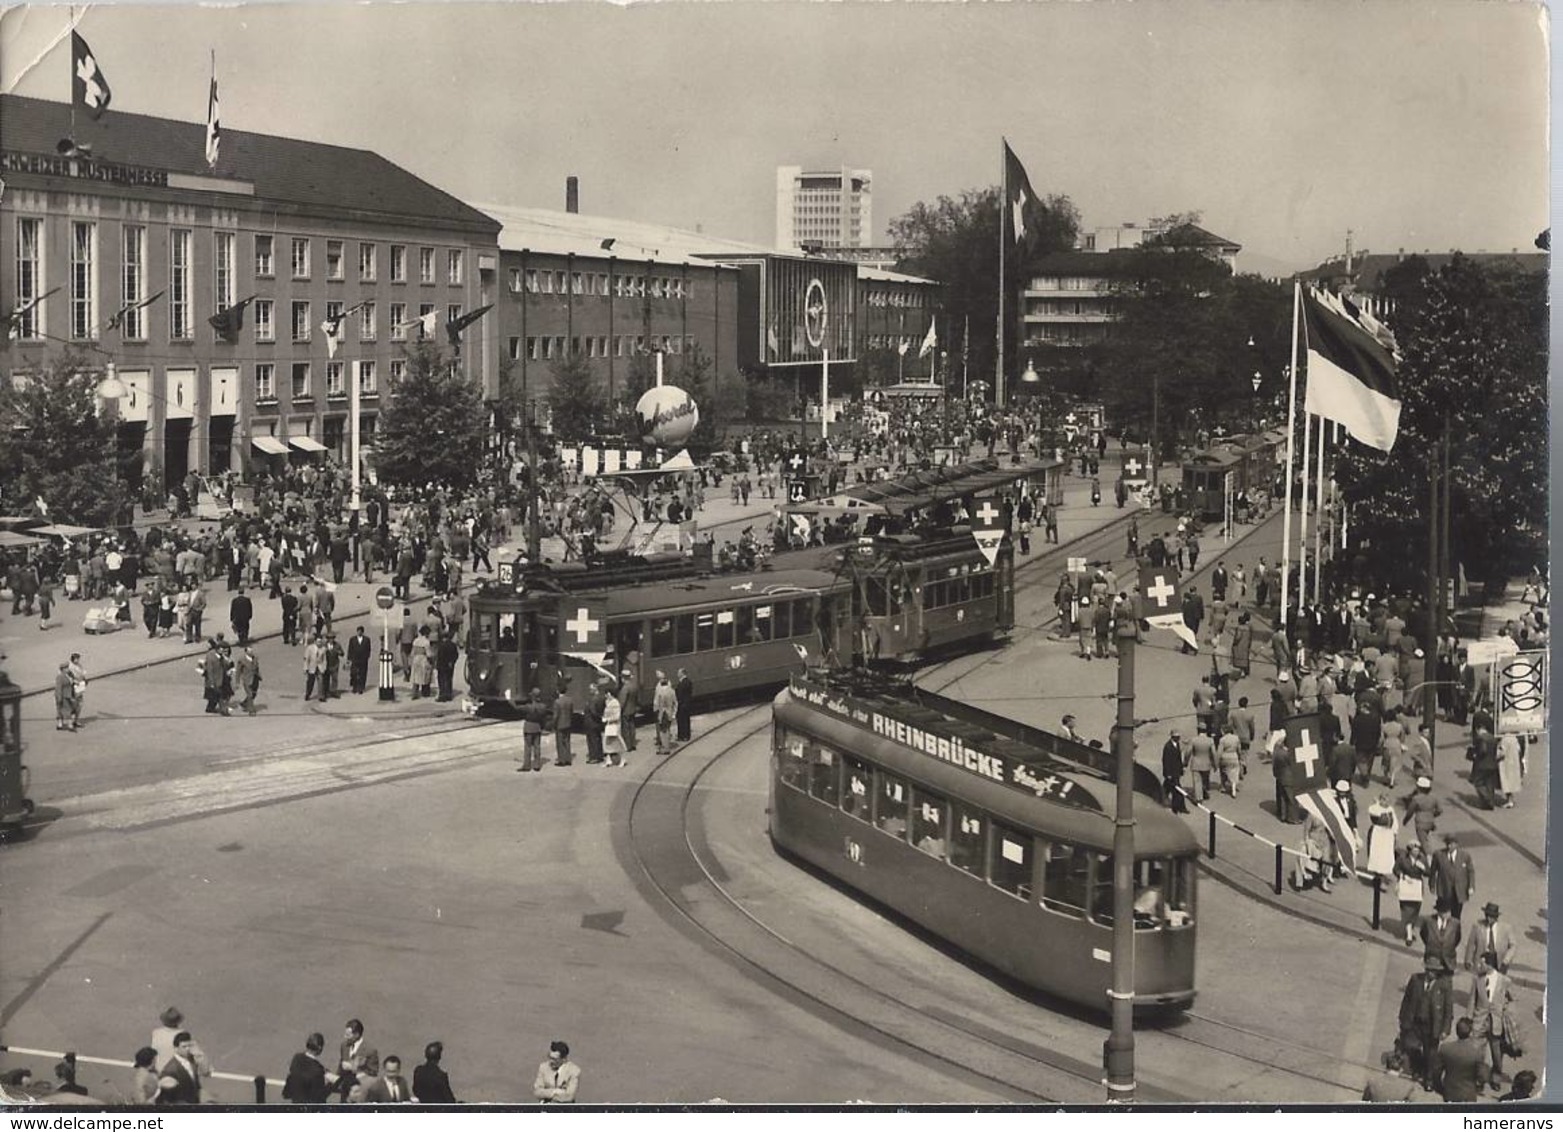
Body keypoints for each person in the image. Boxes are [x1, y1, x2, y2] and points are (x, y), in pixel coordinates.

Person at [1398, 963, 1453, 1088]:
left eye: (1433, 971)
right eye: (1428, 969)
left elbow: (1448, 1009)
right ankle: (1416, 1069)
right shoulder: (1416, 980)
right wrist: (1402, 1018)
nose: (1430, 973)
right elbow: (1407, 1000)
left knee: (1430, 1054)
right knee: (1411, 1046)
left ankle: (1428, 1079)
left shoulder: (1444, 986)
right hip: (1415, 1022)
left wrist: (1445, 1029)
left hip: (1432, 1026)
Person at [1470, 953, 1517, 1091]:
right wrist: (1468, 1017)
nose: (1480, 965)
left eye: (1482, 963)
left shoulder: (1504, 980)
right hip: (1480, 1020)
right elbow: (1472, 1000)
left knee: (1497, 1054)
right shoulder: (1478, 980)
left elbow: (1513, 1000)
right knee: (1479, 1053)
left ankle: (1496, 1078)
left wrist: (1506, 1011)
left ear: (1490, 964)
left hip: (1496, 1023)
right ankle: (1480, 1079)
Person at [1431, 1017, 1488, 1102]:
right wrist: (1476, 1089)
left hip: (1449, 1093)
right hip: (1468, 1095)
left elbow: (1436, 1073)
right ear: (1470, 1033)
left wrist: (1441, 1089)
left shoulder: (1445, 1049)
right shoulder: (1477, 1053)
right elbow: (1483, 1077)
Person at [1431, 834, 1476, 921]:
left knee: (1457, 915)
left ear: (1456, 844)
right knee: (1444, 913)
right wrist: (1432, 885)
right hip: (1444, 889)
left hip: (1459, 891)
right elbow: (1433, 871)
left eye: (1451, 844)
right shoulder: (1439, 855)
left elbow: (1470, 871)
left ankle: (1456, 933)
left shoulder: (1465, 856)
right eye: (1447, 844)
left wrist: (1471, 886)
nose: (1449, 846)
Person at [1465, 902, 1517, 974]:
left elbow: (1513, 946)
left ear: (1496, 917)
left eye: (1492, 916)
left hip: (1498, 961)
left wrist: (1506, 960)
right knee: (1481, 983)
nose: (1489, 918)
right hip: (1482, 961)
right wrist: (1468, 960)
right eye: (1487, 915)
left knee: (1497, 984)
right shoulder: (1477, 926)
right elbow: (1471, 944)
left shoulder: (1506, 929)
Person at [282, 1033, 335, 1104]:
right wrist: (330, 1085)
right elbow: (319, 1096)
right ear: (320, 1048)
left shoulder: (297, 1058)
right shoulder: (317, 1071)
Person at [1395, 842, 1430, 947]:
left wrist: (1423, 868)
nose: (1417, 852)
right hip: (1406, 885)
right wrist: (1402, 875)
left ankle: (1410, 928)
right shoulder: (1402, 858)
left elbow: (1428, 873)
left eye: (1418, 850)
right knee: (1406, 909)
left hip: (1417, 887)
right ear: (1409, 850)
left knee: (1415, 910)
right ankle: (1409, 934)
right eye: (1414, 850)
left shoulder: (1422, 859)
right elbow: (1396, 869)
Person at [336, 1019, 377, 1103]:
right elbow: (341, 1066)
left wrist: (353, 1068)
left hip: (359, 1091)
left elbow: (373, 1072)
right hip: (345, 1090)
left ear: (357, 1034)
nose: (345, 1037)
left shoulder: (370, 1050)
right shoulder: (344, 1046)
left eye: (348, 1035)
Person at [156, 1032, 204, 1104]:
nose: (187, 1049)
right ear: (176, 1048)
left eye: (189, 1046)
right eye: (184, 1047)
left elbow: (204, 1072)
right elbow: (167, 1097)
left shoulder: (192, 1059)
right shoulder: (170, 1070)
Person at [1421, 897, 1462, 976]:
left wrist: (1448, 947)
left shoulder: (1455, 923)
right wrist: (1432, 945)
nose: (1448, 914)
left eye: (1449, 911)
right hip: (1432, 959)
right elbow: (1423, 935)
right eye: (1446, 912)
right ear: (1439, 912)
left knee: (1447, 985)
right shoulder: (1429, 921)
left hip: (1449, 961)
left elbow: (1457, 938)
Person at [519, 687, 548, 772]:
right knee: (537, 747)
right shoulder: (543, 706)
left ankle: (527, 765)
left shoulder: (528, 706)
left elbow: (517, 708)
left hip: (528, 727)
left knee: (528, 747)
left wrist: (511, 702)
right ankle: (537, 765)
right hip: (537, 727)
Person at [653, 670, 678, 756]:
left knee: (662, 731)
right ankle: (667, 745)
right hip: (670, 713)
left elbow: (656, 703)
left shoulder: (659, 692)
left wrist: (655, 711)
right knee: (667, 729)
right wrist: (674, 713)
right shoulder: (672, 691)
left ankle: (665, 748)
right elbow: (676, 703)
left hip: (662, 713)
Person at [1160, 731, 1187, 813]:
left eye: (1178, 736)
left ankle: (1178, 806)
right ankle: (1178, 807)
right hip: (1171, 773)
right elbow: (1165, 761)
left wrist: (1181, 769)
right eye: (1176, 737)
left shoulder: (1177, 745)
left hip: (1176, 772)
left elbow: (1179, 759)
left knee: (1167, 789)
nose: (1178, 738)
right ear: (1172, 737)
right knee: (1177, 790)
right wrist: (1168, 774)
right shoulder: (1168, 747)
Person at [552, 681, 575, 766]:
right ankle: (568, 759)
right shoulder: (570, 700)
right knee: (567, 742)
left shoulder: (557, 702)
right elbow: (571, 712)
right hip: (568, 723)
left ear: (558, 691)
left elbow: (555, 716)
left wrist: (553, 724)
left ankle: (562, 760)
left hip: (560, 724)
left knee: (560, 743)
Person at [602, 686, 626, 767]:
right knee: (607, 742)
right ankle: (608, 760)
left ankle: (623, 759)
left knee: (617, 742)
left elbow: (617, 716)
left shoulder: (615, 703)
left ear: (610, 693)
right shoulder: (608, 702)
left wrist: (607, 719)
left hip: (615, 725)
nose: (605, 695)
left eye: (606, 693)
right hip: (609, 725)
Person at [236, 644, 261, 716]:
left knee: (254, 694)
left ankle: (244, 703)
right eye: (249, 651)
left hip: (255, 679)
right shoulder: (241, 660)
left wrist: (258, 675)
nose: (251, 652)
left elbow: (257, 668)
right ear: (246, 652)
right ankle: (251, 710)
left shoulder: (255, 658)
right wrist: (237, 682)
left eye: (252, 651)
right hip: (247, 680)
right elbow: (238, 671)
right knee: (250, 694)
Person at [53, 662, 80, 731]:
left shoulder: (69, 675)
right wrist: (59, 698)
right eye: (66, 668)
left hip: (69, 694)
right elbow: (58, 688)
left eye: (68, 667)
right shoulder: (60, 677)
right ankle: (69, 725)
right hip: (63, 695)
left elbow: (71, 682)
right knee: (66, 710)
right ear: (62, 669)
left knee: (65, 710)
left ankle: (60, 724)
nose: (68, 669)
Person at [347, 626, 373, 695]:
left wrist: (367, 657)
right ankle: (354, 687)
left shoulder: (367, 639)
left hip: (363, 660)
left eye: (360, 631)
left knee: (362, 674)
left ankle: (361, 687)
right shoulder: (352, 639)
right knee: (354, 674)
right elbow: (350, 649)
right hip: (355, 659)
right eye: (358, 631)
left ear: (362, 632)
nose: (359, 632)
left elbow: (368, 649)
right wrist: (349, 659)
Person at [674, 667, 694, 743]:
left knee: (682, 720)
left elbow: (682, 694)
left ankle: (683, 735)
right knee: (685, 720)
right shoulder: (687, 682)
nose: (677, 674)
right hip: (685, 704)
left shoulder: (684, 682)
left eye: (678, 673)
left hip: (683, 704)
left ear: (682, 673)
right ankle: (685, 735)